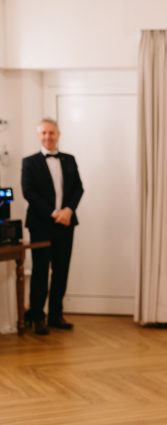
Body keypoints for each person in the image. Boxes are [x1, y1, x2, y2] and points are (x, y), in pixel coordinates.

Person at [21, 118, 84, 335]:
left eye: (51, 132)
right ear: (38, 135)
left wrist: (68, 211)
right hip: (40, 224)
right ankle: (37, 315)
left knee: (61, 270)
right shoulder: (29, 162)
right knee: (40, 271)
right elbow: (28, 191)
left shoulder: (69, 159)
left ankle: (56, 314)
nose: (48, 136)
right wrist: (53, 212)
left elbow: (78, 188)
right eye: (44, 133)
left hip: (66, 223)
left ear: (58, 134)